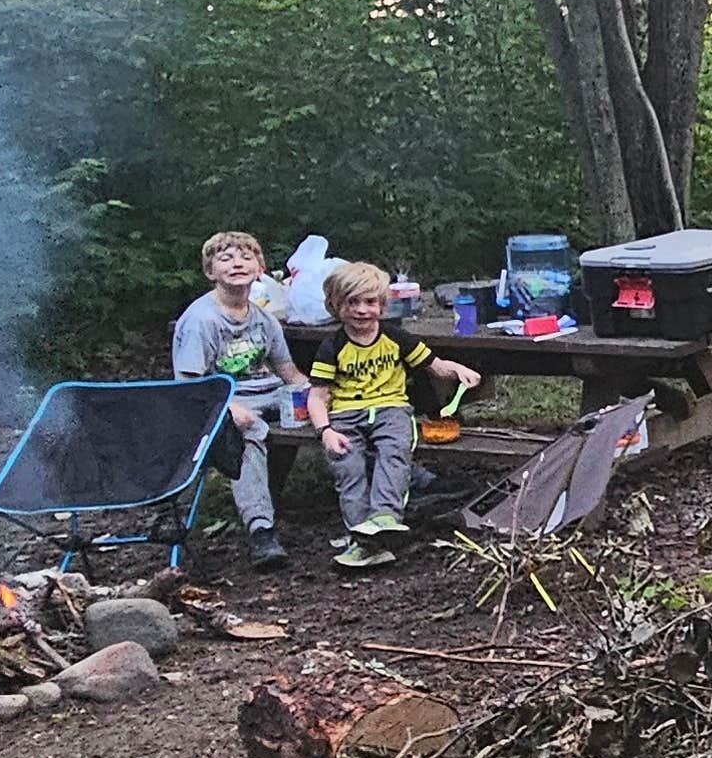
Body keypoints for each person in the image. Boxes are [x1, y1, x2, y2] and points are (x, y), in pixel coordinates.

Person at [307, 258, 482, 569]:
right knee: (349, 468)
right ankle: (360, 535)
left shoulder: (395, 337)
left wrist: (460, 371)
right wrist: (326, 431)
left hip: (391, 409)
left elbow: (435, 365)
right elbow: (318, 395)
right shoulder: (332, 346)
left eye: (370, 302)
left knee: (394, 452)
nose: (362, 310)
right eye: (352, 303)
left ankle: (384, 516)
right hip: (346, 414)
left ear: (382, 305)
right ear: (336, 306)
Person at [171, 229, 304, 571]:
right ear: (210, 271)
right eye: (226, 258)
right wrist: (228, 408)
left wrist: (317, 395)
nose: (237, 264)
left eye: (246, 257)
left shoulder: (263, 319)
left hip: (268, 392)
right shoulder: (202, 320)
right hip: (218, 400)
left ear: (260, 268)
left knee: (329, 411)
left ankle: (379, 502)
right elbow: (188, 387)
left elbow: (287, 371)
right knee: (249, 431)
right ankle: (261, 530)